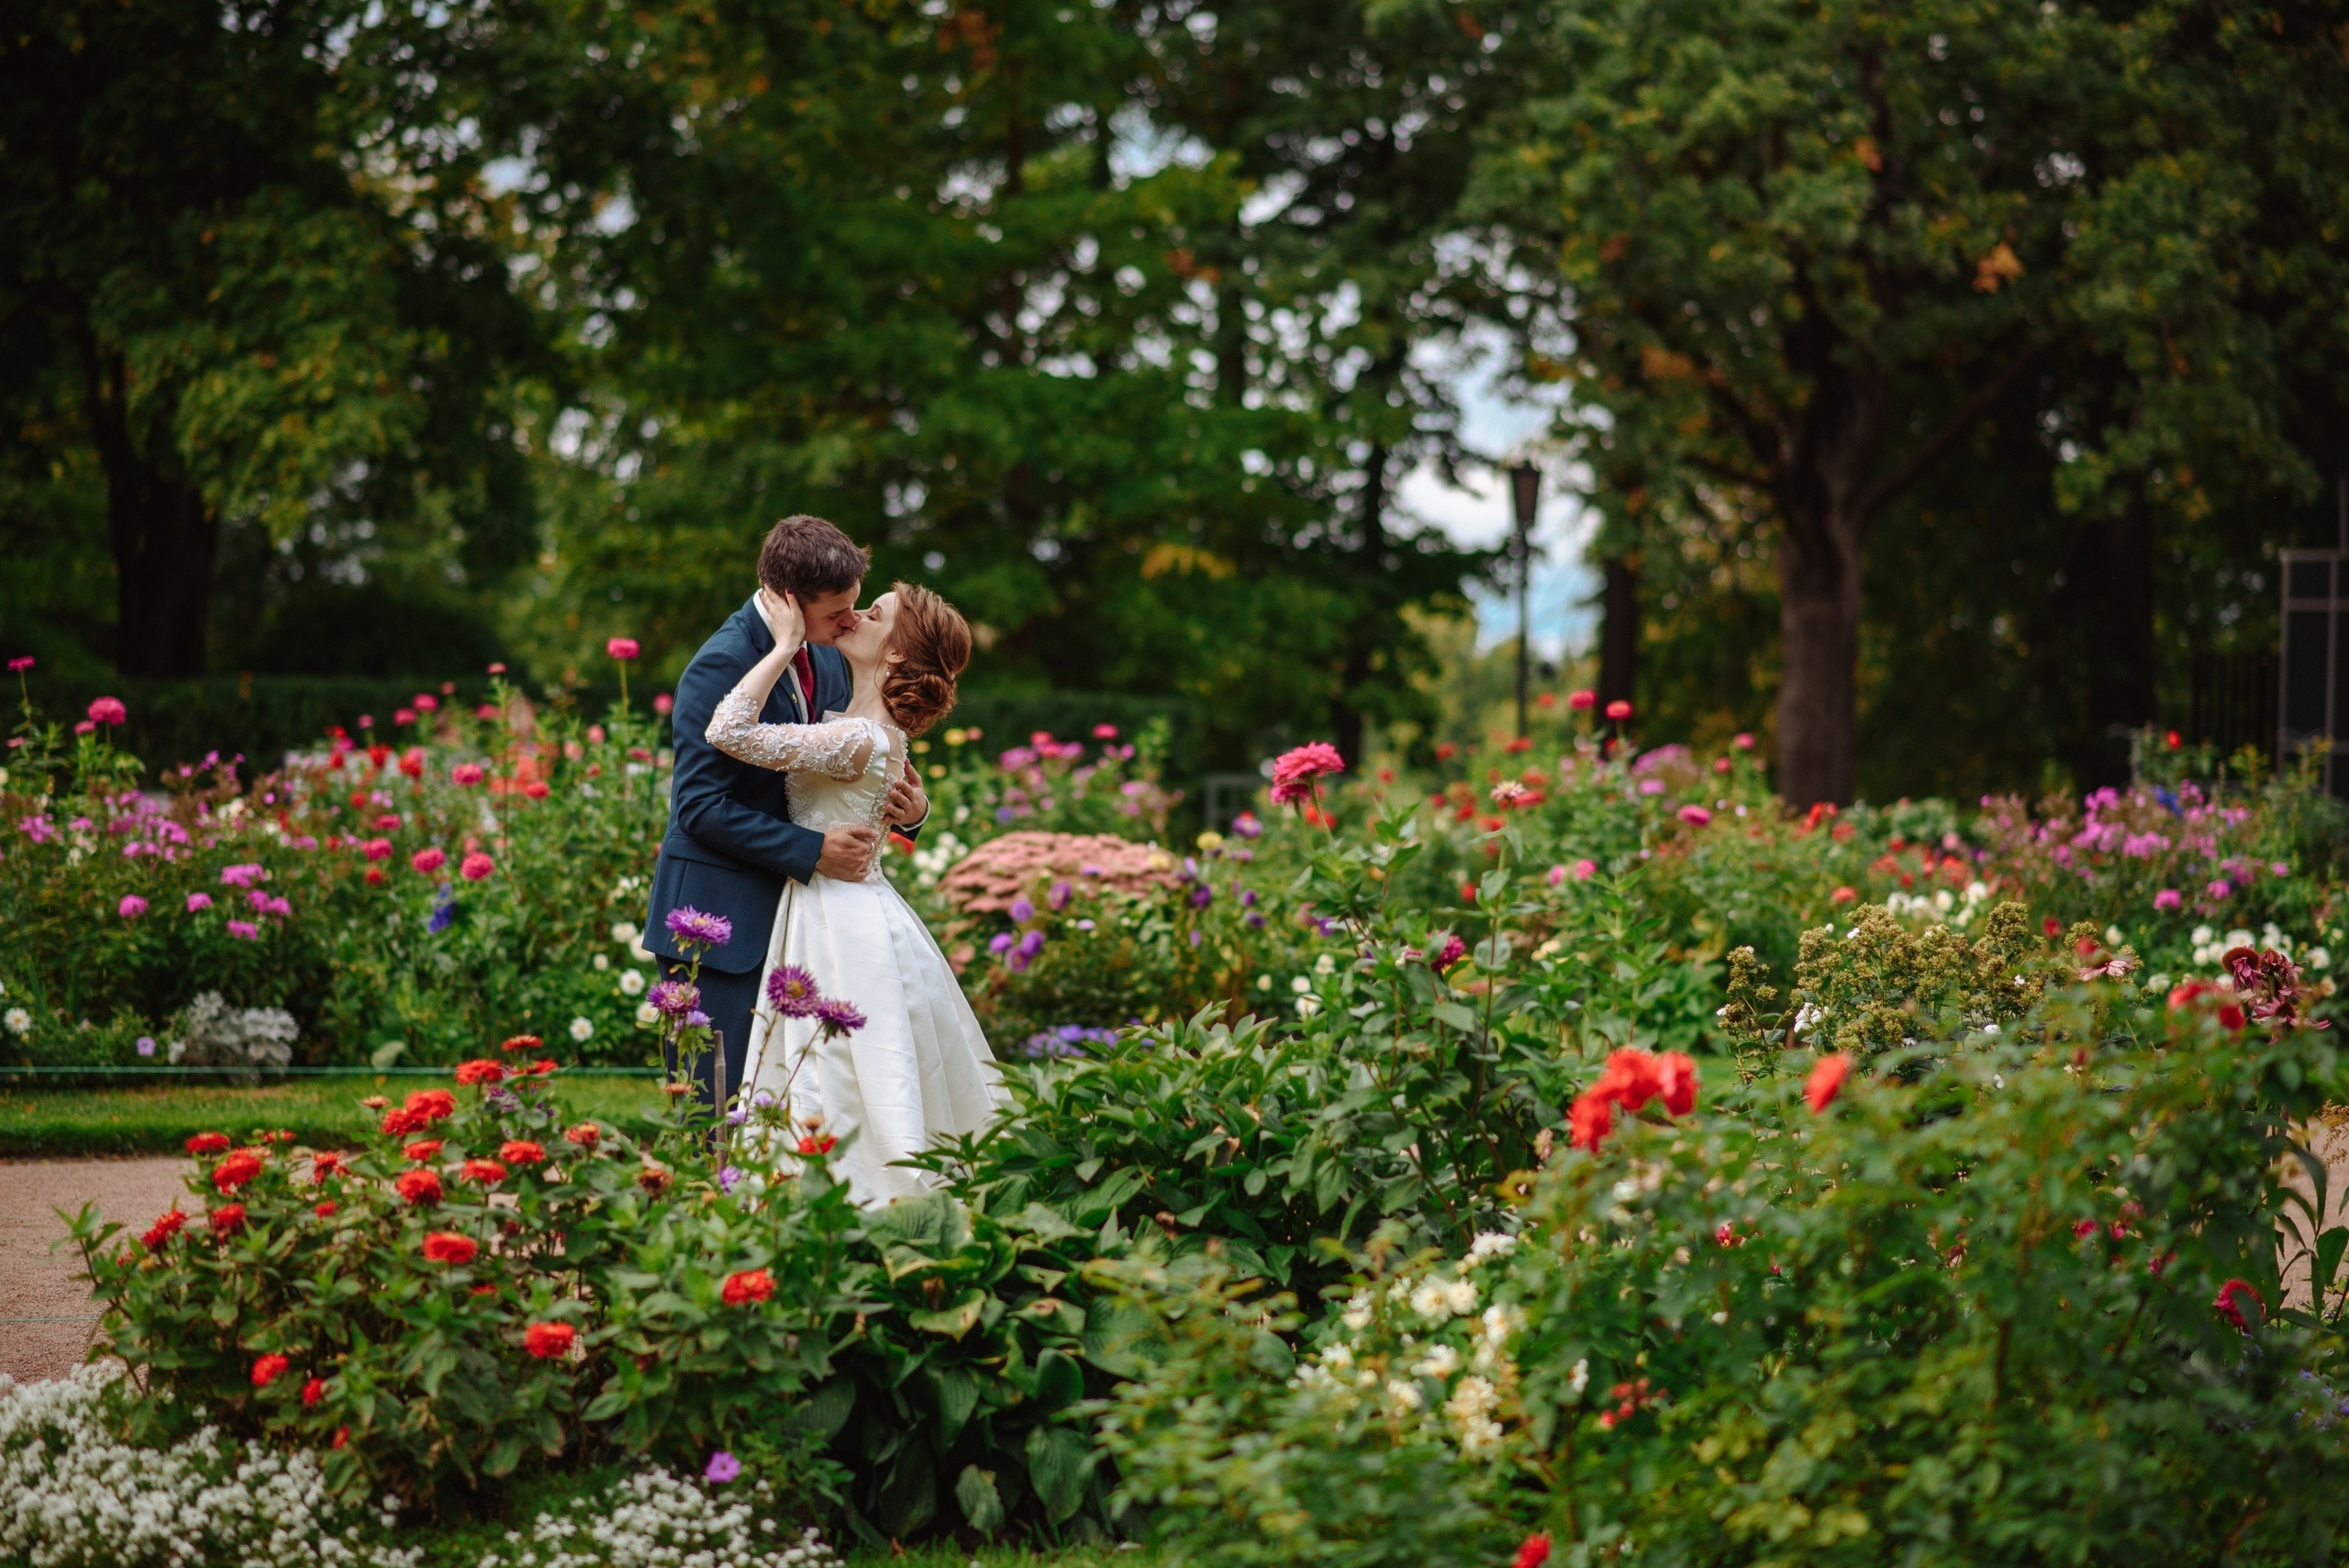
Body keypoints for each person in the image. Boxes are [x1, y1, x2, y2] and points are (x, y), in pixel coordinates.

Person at [707, 581, 1005, 1204]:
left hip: (837, 911)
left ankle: (851, 1193)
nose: (856, 617)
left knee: (839, 1058)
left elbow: (730, 730)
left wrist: (785, 642)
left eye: (875, 615)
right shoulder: (861, 724)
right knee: (846, 1060)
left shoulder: (859, 737)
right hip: (848, 902)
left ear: (894, 657)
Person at [641, 515, 930, 1111]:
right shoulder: (722, 663)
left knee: (792, 1109)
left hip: (804, 924)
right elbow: (698, 807)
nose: (850, 622)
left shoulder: (827, 657)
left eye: (855, 609)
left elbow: (854, 755)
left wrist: (911, 810)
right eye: (837, 613)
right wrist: (813, 850)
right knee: (712, 1113)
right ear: (791, 604)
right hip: (721, 923)